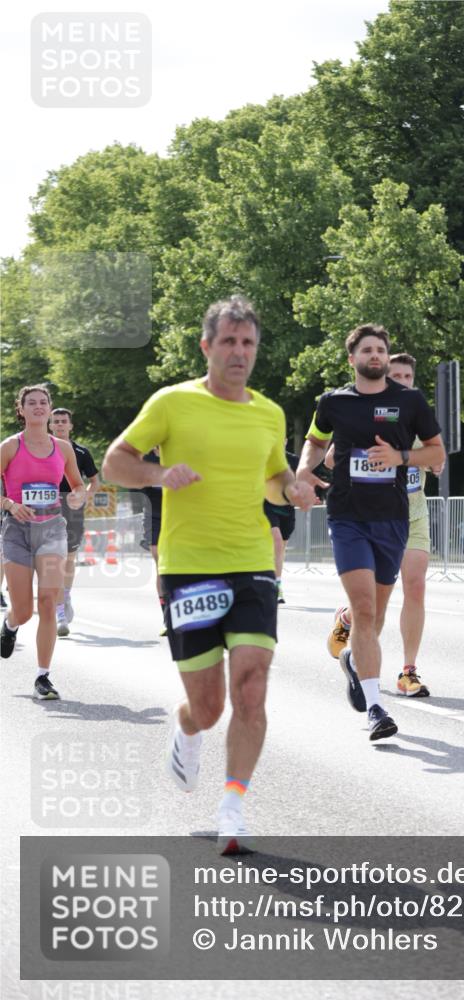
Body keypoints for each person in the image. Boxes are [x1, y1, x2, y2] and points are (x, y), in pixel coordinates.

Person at [103, 295, 315, 853]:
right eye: (229, 341)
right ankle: (189, 727)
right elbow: (113, 462)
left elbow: (274, 476)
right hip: (189, 568)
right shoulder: (172, 403)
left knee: (252, 685)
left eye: (248, 342)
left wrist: (292, 487)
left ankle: (233, 805)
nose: (240, 352)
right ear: (207, 346)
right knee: (210, 706)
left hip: (251, 563)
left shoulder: (267, 413)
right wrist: (157, 471)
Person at [297, 324, 445, 741]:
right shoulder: (333, 401)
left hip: (393, 518)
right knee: (363, 610)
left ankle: (351, 660)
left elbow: (436, 452)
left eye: (381, 349)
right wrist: (305, 470)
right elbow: (314, 439)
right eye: (368, 350)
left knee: (375, 617)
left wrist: (398, 456)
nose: (376, 355)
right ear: (353, 359)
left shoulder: (410, 400)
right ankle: (376, 708)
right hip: (347, 517)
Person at [326, 353, 445, 698]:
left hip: (414, 516)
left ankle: (408, 671)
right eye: (397, 375)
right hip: (372, 518)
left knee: (416, 585)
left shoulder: (417, 413)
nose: (404, 381)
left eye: (409, 375)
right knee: (374, 602)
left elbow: (438, 456)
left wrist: (435, 466)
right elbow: (332, 457)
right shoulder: (364, 415)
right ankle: (349, 620)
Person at [1, 385, 86, 699]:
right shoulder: (9, 447)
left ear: (50, 409)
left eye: (43, 402)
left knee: (50, 602)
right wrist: (10, 504)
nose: (38, 407)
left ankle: (43, 677)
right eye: (31, 403)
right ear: (21, 410)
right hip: (17, 533)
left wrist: (77, 497)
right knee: (23, 611)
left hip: (52, 530)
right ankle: (10, 625)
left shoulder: (62, 449)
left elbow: (77, 485)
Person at [49, 407, 100, 637]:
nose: (59, 425)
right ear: (50, 425)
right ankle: (60, 612)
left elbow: (95, 483)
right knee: (53, 558)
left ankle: (66, 596)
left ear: (70, 426)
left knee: (68, 558)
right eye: (56, 421)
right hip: (47, 509)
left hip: (72, 510)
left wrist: (82, 498)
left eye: (63, 421)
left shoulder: (81, 451)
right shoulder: (41, 449)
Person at [263, 443, 299, 604]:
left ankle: (273, 578)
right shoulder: (263, 459)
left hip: (287, 511)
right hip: (267, 507)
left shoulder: (293, 460)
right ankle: (276, 587)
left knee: (280, 548)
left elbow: (302, 482)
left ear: (285, 441)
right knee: (276, 541)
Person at [138, 448, 167, 635]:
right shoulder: (145, 458)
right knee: (161, 563)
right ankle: (167, 615)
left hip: (180, 512)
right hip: (153, 513)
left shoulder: (180, 452)